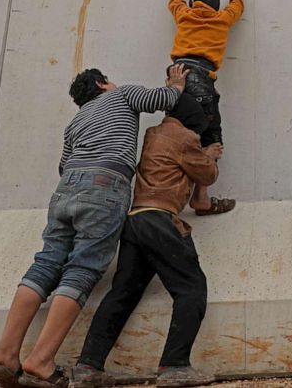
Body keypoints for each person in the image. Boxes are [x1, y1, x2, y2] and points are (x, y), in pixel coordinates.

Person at [0, 66, 187, 388]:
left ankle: (5, 353)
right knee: (82, 269)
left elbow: (63, 166)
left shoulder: (76, 122)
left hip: (66, 188)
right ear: (101, 84)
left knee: (45, 264)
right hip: (105, 184)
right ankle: (39, 360)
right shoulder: (121, 94)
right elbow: (161, 99)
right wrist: (177, 83)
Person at [72, 93, 221, 388]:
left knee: (123, 293)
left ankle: (88, 366)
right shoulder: (185, 138)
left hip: (135, 219)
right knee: (191, 288)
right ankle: (174, 366)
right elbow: (208, 174)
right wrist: (210, 155)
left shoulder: (153, 133)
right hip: (161, 220)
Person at [167, 0, 244, 216]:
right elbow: (237, 7)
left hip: (176, 76)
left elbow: (174, 1)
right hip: (202, 77)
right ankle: (201, 196)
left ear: (192, 4)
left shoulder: (184, 14)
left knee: (176, 134)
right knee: (211, 136)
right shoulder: (221, 19)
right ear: (216, 7)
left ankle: (169, 194)